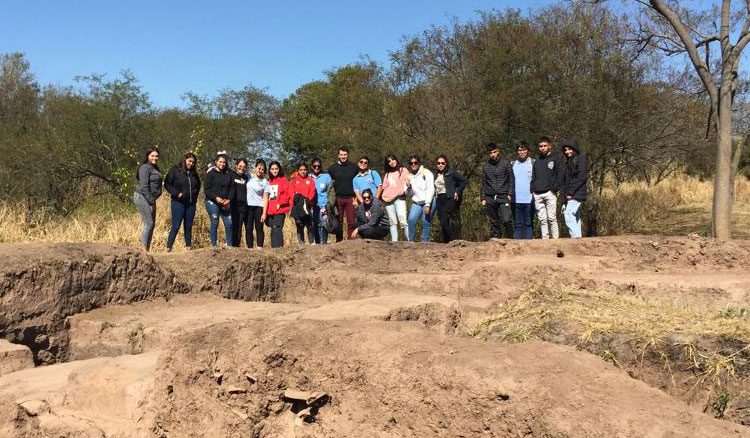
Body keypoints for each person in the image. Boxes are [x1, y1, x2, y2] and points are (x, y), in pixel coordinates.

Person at [164, 152, 200, 251]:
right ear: (185, 160)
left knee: (188, 226)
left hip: (191, 204)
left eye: (193, 162)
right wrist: (176, 193)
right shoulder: (175, 170)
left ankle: (188, 247)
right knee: (176, 225)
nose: (191, 164)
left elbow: (198, 186)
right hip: (178, 203)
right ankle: (168, 248)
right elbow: (167, 184)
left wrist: (195, 197)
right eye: (189, 161)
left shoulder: (194, 174)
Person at [480, 143, 515, 239]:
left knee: (506, 220)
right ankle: (496, 242)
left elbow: (511, 179)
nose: (493, 155)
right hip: (490, 196)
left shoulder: (505, 163)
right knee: (494, 222)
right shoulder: (485, 166)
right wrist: (483, 198)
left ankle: (511, 240)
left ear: (498, 151)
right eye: (490, 153)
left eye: (494, 152)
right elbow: (483, 182)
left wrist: (510, 193)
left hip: (503, 195)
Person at [531, 136, 562, 239]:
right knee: (542, 219)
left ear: (549, 146)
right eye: (540, 146)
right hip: (537, 194)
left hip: (550, 192)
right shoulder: (536, 161)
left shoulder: (555, 158)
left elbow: (560, 175)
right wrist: (533, 190)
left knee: (552, 218)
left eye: (545, 146)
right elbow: (533, 176)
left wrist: (554, 189)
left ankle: (555, 240)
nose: (542, 148)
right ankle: (545, 240)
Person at [327, 147, 359, 242]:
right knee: (338, 221)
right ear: (338, 155)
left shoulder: (354, 167)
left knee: (351, 222)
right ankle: (339, 241)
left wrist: (357, 198)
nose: (343, 156)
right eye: (341, 154)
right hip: (338, 198)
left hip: (351, 198)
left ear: (348, 155)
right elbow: (330, 184)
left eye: (345, 154)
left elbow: (358, 182)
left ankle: (350, 241)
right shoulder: (332, 168)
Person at [133, 146, 162, 252]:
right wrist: (151, 202)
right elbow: (144, 187)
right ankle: (143, 249)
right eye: (152, 155)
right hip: (142, 197)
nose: (155, 158)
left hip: (151, 199)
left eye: (157, 156)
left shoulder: (155, 168)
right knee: (148, 223)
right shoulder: (144, 168)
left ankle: (147, 249)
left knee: (152, 224)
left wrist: (154, 199)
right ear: (147, 156)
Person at [434, 155, 467, 243]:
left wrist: (457, 191)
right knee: (443, 221)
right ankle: (446, 242)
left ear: (446, 164)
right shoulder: (436, 174)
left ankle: (454, 241)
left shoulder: (451, 172)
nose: (440, 165)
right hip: (439, 199)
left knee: (444, 220)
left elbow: (464, 180)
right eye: (438, 163)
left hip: (449, 198)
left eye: (442, 163)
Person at [204, 153, 233, 247]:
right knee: (215, 221)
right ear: (216, 162)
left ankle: (229, 245)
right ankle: (213, 245)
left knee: (229, 223)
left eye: (224, 162)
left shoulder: (229, 174)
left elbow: (232, 188)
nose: (222, 164)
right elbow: (207, 190)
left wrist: (229, 199)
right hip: (212, 201)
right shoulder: (210, 174)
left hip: (225, 203)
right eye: (220, 162)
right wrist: (216, 198)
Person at [561, 138, 588, 238]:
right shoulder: (568, 162)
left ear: (574, 148)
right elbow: (566, 181)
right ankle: (578, 239)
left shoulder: (581, 158)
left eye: (569, 149)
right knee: (575, 217)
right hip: (570, 194)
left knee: (568, 214)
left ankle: (575, 239)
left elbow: (581, 177)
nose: (567, 152)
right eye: (565, 150)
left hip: (576, 193)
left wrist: (571, 193)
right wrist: (564, 199)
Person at [406, 155, 436, 242]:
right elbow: (408, 195)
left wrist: (427, 204)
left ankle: (425, 241)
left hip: (429, 201)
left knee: (425, 221)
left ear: (419, 164)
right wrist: (409, 187)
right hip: (417, 202)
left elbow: (431, 189)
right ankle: (411, 240)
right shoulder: (409, 177)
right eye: (411, 163)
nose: (413, 164)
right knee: (411, 220)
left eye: (415, 163)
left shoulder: (426, 173)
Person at [381, 154, 409, 241]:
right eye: (389, 161)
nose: (391, 162)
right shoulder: (388, 174)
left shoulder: (403, 170)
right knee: (392, 222)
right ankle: (394, 242)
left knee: (403, 220)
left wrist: (393, 196)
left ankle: (409, 240)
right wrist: (385, 198)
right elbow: (384, 187)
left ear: (396, 159)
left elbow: (405, 187)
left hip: (399, 199)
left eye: (393, 160)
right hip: (388, 201)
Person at [511, 142, 534, 239]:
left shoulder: (533, 162)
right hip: (515, 200)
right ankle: (517, 249)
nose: (522, 152)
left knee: (528, 224)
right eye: (520, 150)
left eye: (524, 149)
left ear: (528, 150)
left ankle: (529, 249)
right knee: (517, 225)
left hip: (529, 200)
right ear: (517, 151)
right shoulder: (512, 164)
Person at [290, 162, 316, 245]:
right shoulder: (294, 181)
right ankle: (301, 244)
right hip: (297, 207)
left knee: (310, 225)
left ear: (307, 170)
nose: (303, 171)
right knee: (300, 225)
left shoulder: (310, 180)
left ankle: (311, 242)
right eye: (301, 170)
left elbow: (312, 192)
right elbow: (291, 193)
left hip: (308, 206)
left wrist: (307, 201)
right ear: (298, 171)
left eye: (304, 170)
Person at [246, 159, 269, 250]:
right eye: (259, 168)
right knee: (248, 228)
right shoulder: (248, 177)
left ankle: (259, 248)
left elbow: (265, 197)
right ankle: (250, 248)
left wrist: (264, 213)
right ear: (255, 168)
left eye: (262, 169)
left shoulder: (265, 182)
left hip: (259, 207)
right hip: (248, 206)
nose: (260, 171)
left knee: (259, 228)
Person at [266, 161, 290, 248]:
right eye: (272, 169)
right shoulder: (268, 181)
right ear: (269, 170)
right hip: (269, 211)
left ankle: (278, 249)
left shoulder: (283, 180)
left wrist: (280, 203)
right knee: (273, 229)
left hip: (280, 210)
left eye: (276, 169)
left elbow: (287, 194)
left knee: (277, 228)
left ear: (279, 169)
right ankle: (274, 249)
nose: (274, 170)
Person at [310, 158, 332, 244]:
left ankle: (324, 242)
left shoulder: (326, 177)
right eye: (315, 166)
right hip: (313, 206)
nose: (316, 168)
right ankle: (318, 243)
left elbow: (330, 191)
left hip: (323, 206)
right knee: (315, 224)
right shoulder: (308, 177)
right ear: (312, 166)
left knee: (324, 223)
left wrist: (328, 205)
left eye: (318, 166)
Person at [229, 159, 249, 247]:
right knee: (234, 227)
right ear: (236, 166)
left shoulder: (246, 178)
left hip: (244, 206)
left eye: (244, 167)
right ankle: (232, 246)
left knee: (241, 228)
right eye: (240, 166)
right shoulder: (231, 175)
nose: (242, 168)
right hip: (234, 205)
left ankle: (237, 247)